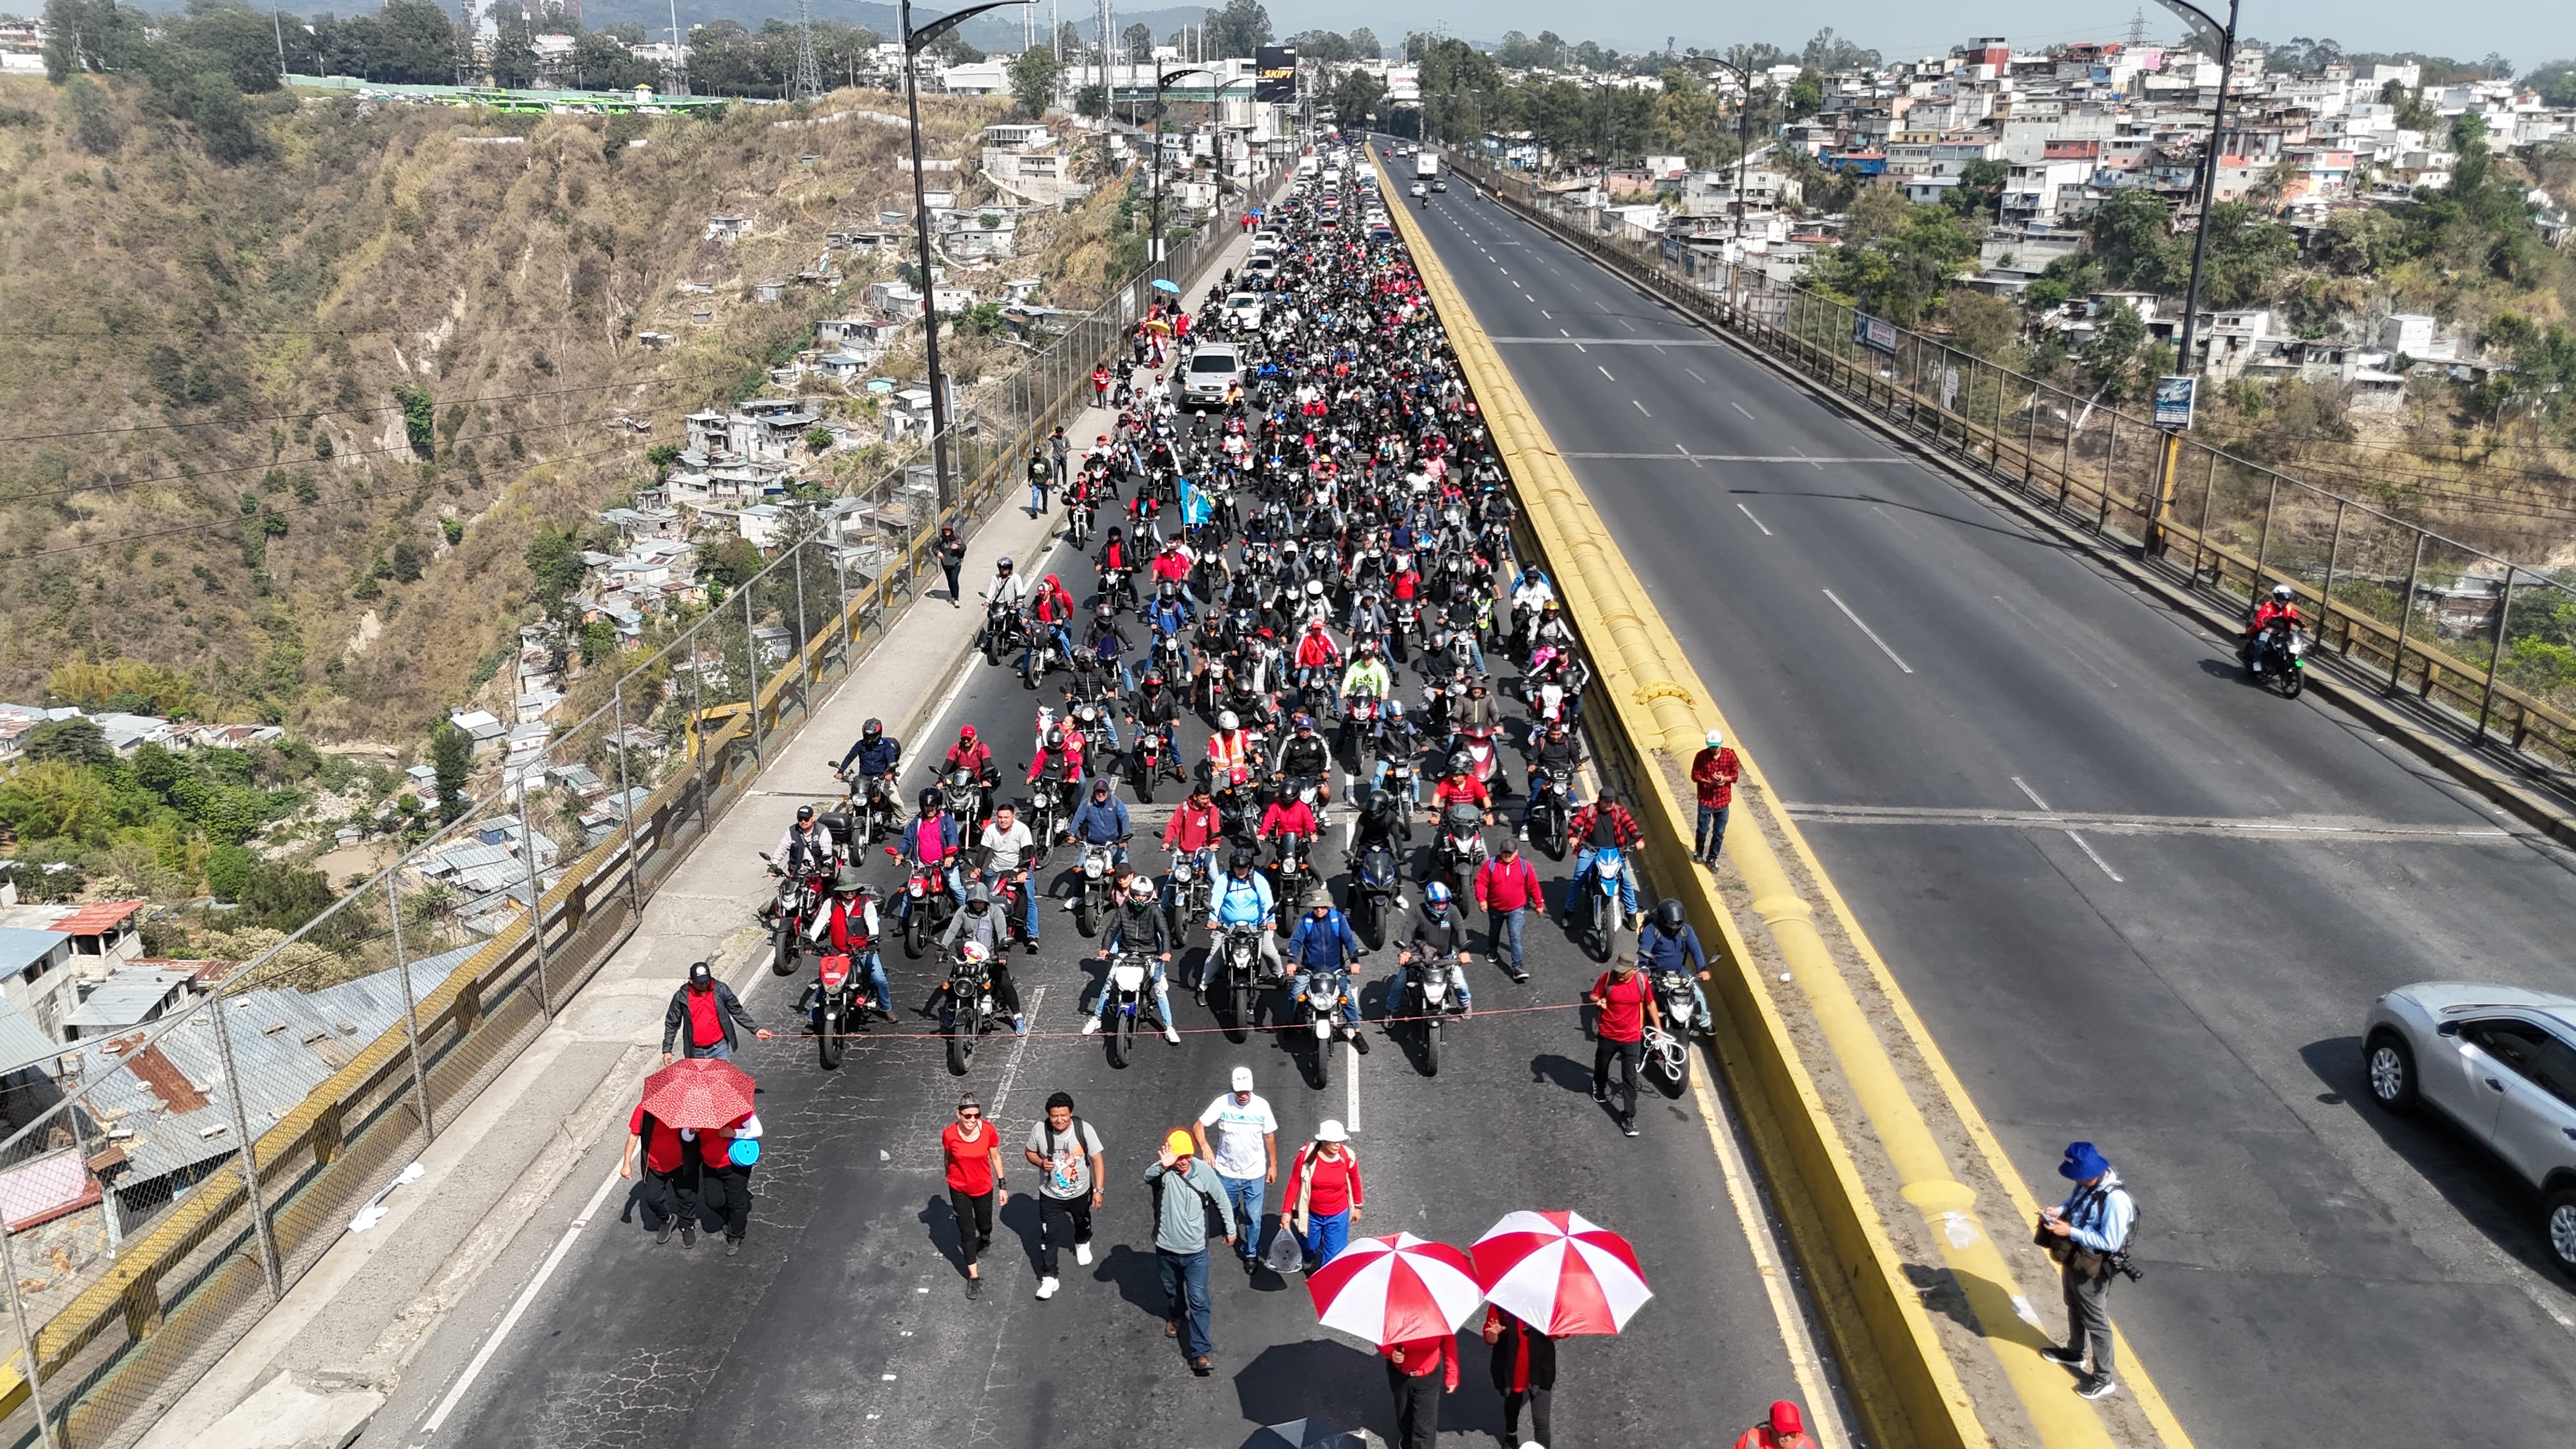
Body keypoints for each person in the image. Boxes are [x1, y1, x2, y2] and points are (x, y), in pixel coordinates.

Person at [2039, 1140, 2136, 1401]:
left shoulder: (2116, 1200)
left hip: (2094, 1265)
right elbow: (2074, 1202)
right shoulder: (2087, 1184)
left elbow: (2110, 1242)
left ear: (2093, 1173)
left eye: (2080, 1177)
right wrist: (2058, 1211)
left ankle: (2104, 1378)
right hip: (2076, 1257)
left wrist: (2070, 1231)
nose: (2077, 1182)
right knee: (2073, 1303)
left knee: (2096, 1321)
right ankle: (2075, 1352)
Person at [1145, 1128, 1238, 1376]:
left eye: (1187, 1156)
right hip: (1166, 1247)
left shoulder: (1204, 1172)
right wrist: (1163, 1166)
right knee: (1172, 1289)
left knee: (1199, 1299)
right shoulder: (1164, 1172)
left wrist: (1230, 1229)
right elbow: (1147, 1176)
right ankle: (1176, 1316)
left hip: (1196, 1252)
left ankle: (1200, 1352)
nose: (1184, 1161)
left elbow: (1222, 1200)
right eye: (1179, 1157)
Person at [1194, 1066, 1279, 1275]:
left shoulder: (1261, 1106)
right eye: (1239, 1091)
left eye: (1247, 1091)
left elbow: (1269, 1137)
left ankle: (1251, 1253)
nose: (1243, 1095)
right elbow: (1198, 1126)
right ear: (1232, 1088)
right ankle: (1230, 1228)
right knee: (1228, 1209)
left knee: (1254, 1217)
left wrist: (1273, 1165)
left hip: (1254, 1174)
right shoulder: (1222, 1103)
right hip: (1227, 1172)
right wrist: (1205, 1147)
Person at [1023, 1091, 1104, 1301]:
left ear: (1071, 1114)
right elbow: (1029, 1152)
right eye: (1055, 1116)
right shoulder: (1039, 1130)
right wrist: (1041, 1162)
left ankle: (1082, 1242)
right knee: (1048, 1236)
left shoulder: (1084, 1130)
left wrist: (1098, 1191)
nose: (1059, 1120)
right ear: (1049, 1115)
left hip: (1080, 1192)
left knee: (1082, 1221)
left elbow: (1097, 1159)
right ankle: (1049, 1277)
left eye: (1064, 1116)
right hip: (1050, 1195)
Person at [1087, 876, 1180, 1043]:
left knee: (1158, 988)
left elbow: (1165, 932)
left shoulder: (1155, 911)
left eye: (1144, 896)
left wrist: (1166, 952)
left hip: (1149, 953)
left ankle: (1169, 1027)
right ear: (1132, 894)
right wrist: (1105, 948)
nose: (1140, 899)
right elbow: (1112, 930)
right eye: (1138, 895)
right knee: (1109, 982)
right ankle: (1097, 1018)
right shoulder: (1124, 909)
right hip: (1126, 951)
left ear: (1149, 896)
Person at [1588, 954, 1660, 1137]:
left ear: (1634, 970)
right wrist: (1599, 1001)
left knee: (1630, 1078)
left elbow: (1650, 1004)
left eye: (1623, 973)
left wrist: (1658, 1029)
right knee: (1602, 1066)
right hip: (1608, 1035)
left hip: (1632, 1038)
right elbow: (1593, 995)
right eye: (1618, 971)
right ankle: (1598, 1084)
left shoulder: (1642, 982)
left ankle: (1628, 1116)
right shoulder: (1607, 978)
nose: (1619, 975)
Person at [942, 1094, 1008, 1297]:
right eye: (967, 1116)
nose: (972, 1120)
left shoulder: (988, 1130)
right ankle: (974, 1277)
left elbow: (995, 1157)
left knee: (984, 1223)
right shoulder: (949, 1134)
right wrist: (949, 1175)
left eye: (976, 1115)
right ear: (959, 1114)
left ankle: (986, 1239)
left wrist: (1002, 1185)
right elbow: (948, 1157)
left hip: (983, 1188)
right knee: (967, 1232)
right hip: (959, 1189)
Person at [1284, 890, 1367, 1046]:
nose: (1319, 910)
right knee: (1295, 995)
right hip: (1310, 970)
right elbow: (1296, 942)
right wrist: (1292, 961)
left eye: (1322, 906)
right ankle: (1290, 1023)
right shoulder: (1306, 921)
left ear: (1328, 906)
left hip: (1335, 970)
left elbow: (1349, 942)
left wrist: (1354, 962)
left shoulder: (1339, 919)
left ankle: (1357, 1031)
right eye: (1316, 907)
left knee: (1347, 998)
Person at [940, 888, 1027, 1034]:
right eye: (975, 902)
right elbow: (952, 930)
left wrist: (1002, 951)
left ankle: (1018, 1017)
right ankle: (951, 1010)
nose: (978, 905)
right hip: (968, 955)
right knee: (953, 981)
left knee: (1005, 983)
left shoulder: (996, 912)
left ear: (986, 902)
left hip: (989, 956)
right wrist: (943, 947)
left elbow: (1002, 933)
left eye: (981, 903)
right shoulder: (963, 911)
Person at [1282, 1119, 1363, 1269]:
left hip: (1338, 1215)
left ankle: (1326, 1276)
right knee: (1310, 1245)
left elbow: (1355, 1180)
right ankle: (1308, 1257)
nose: (1338, 1145)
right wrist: (1286, 1211)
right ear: (1324, 1142)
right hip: (1312, 1214)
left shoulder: (1348, 1156)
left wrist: (1358, 1207)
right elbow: (1295, 1182)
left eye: (1340, 1141)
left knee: (1334, 1255)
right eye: (1333, 1142)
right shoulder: (1306, 1156)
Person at [1390, 880, 1473, 1022]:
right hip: (1419, 955)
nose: (1441, 906)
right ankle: (1391, 1009)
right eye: (1437, 903)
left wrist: (1464, 950)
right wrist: (1405, 950)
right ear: (1429, 902)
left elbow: (1460, 930)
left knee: (1461, 984)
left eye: (1444, 903)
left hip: (1445, 956)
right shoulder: (1418, 911)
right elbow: (1408, 930)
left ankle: (1465, 1005)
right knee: (1399, 983)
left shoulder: (1453, 911)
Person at [620, 1094, 698, 1245]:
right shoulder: (643, 1110)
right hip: (654, 1165)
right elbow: (634, 1136)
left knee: (686, 1196)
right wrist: (626, 1164)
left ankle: (688, 1226)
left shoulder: (685, 1108)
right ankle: (667, 1219)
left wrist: (693, 1131)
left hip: (680, 1164)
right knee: (652, 1198)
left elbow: (689, 1137)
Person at [1204, 847, 1282, 992]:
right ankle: (1203, 987)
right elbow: (1216, 901)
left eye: (1244, 867)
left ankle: (1280, 975)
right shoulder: (1223, 880)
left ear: (1250, 867)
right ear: (1232, 867)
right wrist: (1213, 919)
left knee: (1270, 953)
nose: (1241, 871)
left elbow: (1267, 901)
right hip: (1227, 927)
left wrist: (1271, 920)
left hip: (1256, 927)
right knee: (1214, 957)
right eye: (1237, 867)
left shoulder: (1258, 880)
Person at [661, 961, 771, 1062]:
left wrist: (756, 1029)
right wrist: (667, 1050)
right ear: (691, 980)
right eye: (700, 983)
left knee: (723, 1078)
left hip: (719, 1049)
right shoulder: (681, 997)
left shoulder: (721, 989)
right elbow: (672, 1023)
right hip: (696, 1052)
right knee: (701, 1079)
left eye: (706, 981)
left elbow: (737, 1012)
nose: (704, 985)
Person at [1484, 1304, 1557, 1449]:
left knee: (1541, 1420)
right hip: (1512, 1369)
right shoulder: (1500, 1304)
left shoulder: (1548, 1303)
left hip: (1541, 1368)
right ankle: (1511, 1436)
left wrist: (1558, 1332)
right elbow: (1490, 1339)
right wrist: (1494, 1333)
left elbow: (1560, 1332)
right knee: (1512, 1403)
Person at [690, 1108, 762, 1255]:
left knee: (736, 1202)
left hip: (735, 1166)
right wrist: (691, 1131)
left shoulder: (738, 1107)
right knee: (714, 1202)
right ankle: (732, 1219)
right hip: (710, 1166)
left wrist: (734, 1133)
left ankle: (736, 1235)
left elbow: (757, 1130)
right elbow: (686, 1138)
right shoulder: (698, 1111)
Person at [1637, 898, 1713, 1034]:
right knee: (1640, 997)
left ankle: (1705, 1021)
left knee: (1698, 995)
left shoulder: (1686, 931)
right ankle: (1639, 1026)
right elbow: (1644, 951)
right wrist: (1644, 969)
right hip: (1654, 972)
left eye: (1678, 922)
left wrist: (1702, 969)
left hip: (1678, 972)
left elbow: (1696, 950)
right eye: (1671, 922)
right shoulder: (1651, 930)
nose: (1675, 925)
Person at [1566, 790, 1643, 923]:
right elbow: (1576, 824)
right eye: (1606, 802)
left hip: (1614, 853)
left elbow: (1631, 826)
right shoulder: (1589, 810)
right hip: (1591, 851)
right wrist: (1573, 836)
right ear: (1599, 800)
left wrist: (1638, 840)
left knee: (1625, 881)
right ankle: (1569, 910)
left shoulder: (1619, 812)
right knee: (1578, 879)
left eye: (1611, 802)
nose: (1609, 805)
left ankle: (1631, 913)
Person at [1473, 838, 1542, 985]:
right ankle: (1492, 950)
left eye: (1510, 853)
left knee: (1515, 937)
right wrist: (1482, 899)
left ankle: (1517, 968)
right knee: (1494, 931)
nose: (1507, 856)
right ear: (1500, 852)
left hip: (1516, 910)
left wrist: (1539, 903)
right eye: (1504, 853)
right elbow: (1481, 882)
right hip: (1495, 908)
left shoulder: (1525, 866)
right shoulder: (1491, 864)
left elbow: (1533, 885)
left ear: (1516, 852)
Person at [978, 803, 1040, 951]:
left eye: (1006, 817)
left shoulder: (1022, 829)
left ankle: (1033, 936)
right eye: (1000, 817)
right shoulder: (991, 830)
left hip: (1018, 869)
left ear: (1014, 817)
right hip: (996, 869)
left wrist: (1024, 871)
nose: (1003, 820)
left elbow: (1027, 852)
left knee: (1030, 899)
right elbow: (983, 852)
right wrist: (977, 869)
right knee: (980, 896)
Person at [1383, 1329, 1457, 1449]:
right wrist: (1391, 1352)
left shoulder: (1438, 1320)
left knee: (1424, 1427)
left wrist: (1452, 1374)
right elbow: (1380, 1339)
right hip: (1400, 1375)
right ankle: (1407, 1442)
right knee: (1404, 1415)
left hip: (1429, 1377)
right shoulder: (1393, 1319)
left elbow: (1449, 1342)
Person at [1690, 728, 1741, 865]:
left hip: (1722, 800)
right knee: (1703, 829)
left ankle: (1712, 858)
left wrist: (1723, 779)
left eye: (1716, 747)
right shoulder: (1701, 757)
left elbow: (1735, 776)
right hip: (1706, 799)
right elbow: (1695, 776)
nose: (1714, 749)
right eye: (1711, 747)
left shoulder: (1729, 756)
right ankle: (1699, 850)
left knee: (1719, 833)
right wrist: (1709, 782)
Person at [2242, 581, 2305, 673]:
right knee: (2261, 643)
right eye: (2282, 599)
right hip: (2267, 630)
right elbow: (2261, 619)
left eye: (2286, 599)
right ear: (2276, 598)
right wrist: (2266, 628)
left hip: (2282, 632)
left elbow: (2295, 618)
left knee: (2294, 643)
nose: (2284, 601)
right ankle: (2257, 662)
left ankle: (2288, 661)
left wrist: (2303, 626)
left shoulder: (2288, 608)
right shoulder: (2268, 607)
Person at [834, 717, 901, 791]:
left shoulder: (886, 745)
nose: (869, 738)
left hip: (882, 778)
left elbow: (891, 758)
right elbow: (849, 758)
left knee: (894, 797)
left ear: (878, 734)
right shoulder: (860, 745)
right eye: (867, 735)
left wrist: (889, 772)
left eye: (872, 736)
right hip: (864, 779)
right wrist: (841, 772)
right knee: (855, 795)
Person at [1733, 1402, 1817, 1449]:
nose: (1788, 1438)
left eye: (1793, 1433)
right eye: (1783, 1432)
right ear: (1770, 1426)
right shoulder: (1750, 1442)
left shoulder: (1806, 1446)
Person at [937, 525, 968, 607]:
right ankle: (953, 596)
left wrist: (958, 547)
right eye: (945, 530)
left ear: (951, 530)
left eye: (948, 530)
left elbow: (964, 547)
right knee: (950, 580)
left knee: (954, 580)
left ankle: (956, 599)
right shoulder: (941, 539)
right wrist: (938, 553)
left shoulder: (957, 538)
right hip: (946, 563)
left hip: (956, 563)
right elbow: (934, 548)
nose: (947, 532)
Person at [1026, 447, 1053, 515]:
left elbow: (1050, 470)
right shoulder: (1031, 462)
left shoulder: (1045, 461)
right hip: (1035, 483)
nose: (1039, 456)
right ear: (1035, 455)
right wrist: (1029, 480)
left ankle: (1044, 508)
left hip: (1044, 483)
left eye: (1039, 454)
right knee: (1035, 497)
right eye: (1037, 454)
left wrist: (1049, 479)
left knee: (1045, 497)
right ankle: (1034, 512)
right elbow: (1030, 472)